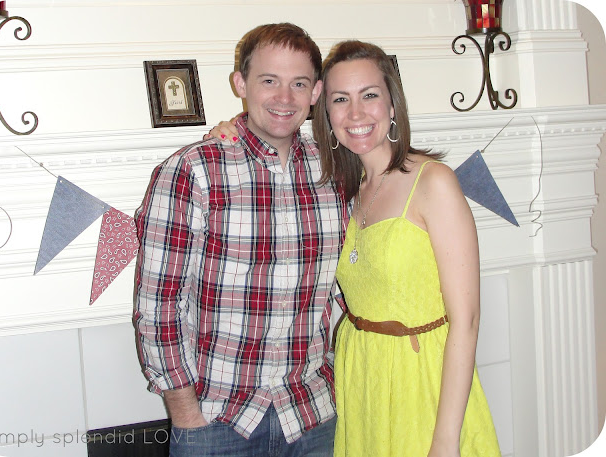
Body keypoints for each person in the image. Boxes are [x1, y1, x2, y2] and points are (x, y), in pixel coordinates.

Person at [211, 40, 502, 457]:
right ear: (325, 113)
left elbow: (467, 320)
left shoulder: (433, 183)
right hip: (358, 378)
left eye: (369, 95)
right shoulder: (342, 188)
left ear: (392, 104)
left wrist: (445, 439)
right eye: (340, 99)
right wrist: (232, 128)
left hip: (421, 380)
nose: (356, 113)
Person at [133, 23, 348, 457]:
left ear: (316, 92)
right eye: (269, 80)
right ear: (241, 84)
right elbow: (158, 305)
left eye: (298, 83)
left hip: (313, 416)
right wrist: (185, 414)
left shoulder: (337, 173)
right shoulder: (193, 170)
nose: (284, 98)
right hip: (216, 422)